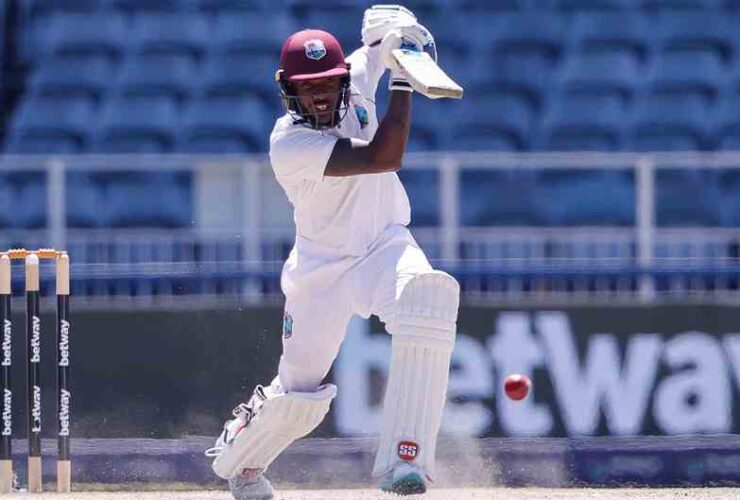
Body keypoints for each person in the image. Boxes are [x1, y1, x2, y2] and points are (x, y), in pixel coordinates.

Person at [205, 6, 459, 500]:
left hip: (384, 245)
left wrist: (395, 34)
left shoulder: (355, 81)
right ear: (289, 91)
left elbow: (377, 49)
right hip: (321, 269)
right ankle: (240, 461)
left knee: (427, 300)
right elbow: (384, 157)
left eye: (327, 82)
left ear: (342, 78)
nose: (319, 94)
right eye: (307, 87)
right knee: (300, 398)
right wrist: (403, 81)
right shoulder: (289, 143)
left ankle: (405, 461)